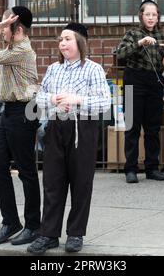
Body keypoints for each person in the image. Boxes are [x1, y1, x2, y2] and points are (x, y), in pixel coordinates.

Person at [28, 22, 111, 254]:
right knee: (53, 182)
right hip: (56, 127)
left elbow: (105, 102)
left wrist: (77, 100)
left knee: (81, 182)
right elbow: (39, 97)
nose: (62, 43)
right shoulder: (55, 69)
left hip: (82, 128)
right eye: (61, 40)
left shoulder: (93, 69)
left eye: (68, 39)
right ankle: (49, 234)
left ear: (80, 43)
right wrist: (53, 99)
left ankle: (75, 233)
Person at [0, 6, 41, 246]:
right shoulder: (9, 51)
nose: (1, 27)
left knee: (26, 170)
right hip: (9, 112)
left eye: (5, 24)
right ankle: (11, 222)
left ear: (17, 28)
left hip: (24, 110)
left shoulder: (23, 51)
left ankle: (34, 225)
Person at [116, 0, 164, 184]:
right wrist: (140, 43)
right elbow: (119, 54)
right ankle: (130, 169)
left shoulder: (162, 35)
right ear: (141, 16)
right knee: (132, 127)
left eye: (154, 14)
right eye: (148, 14)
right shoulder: (132, 33)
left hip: (154, 82)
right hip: (133, 80)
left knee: (152, 127)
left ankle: (152, 168)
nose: (151, 18)